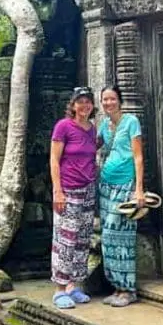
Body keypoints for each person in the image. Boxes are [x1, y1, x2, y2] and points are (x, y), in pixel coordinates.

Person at [50, 86, 97, 309]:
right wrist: (57, 191)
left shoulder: (92, 129)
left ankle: (73, 286)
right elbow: (54, 160)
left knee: (82, 239)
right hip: (68, 190)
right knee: (65, 240)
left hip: (88, 190)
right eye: (80, 102)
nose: (84, 105)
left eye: (88, 101)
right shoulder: (63, 127)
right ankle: (60, 289)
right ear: (73, 105)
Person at [98, 85, 145, 307]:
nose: (108, 103)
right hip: (106, 186)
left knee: (122, 237)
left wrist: (138, 189)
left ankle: (128, 289)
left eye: (112, 99)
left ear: (120, 100)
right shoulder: (104, 126)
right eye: (105, 100)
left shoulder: (131, 122)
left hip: (126, 185)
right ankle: (116, 287)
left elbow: (138, 157)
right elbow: (90, 147)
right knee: (107, 238)